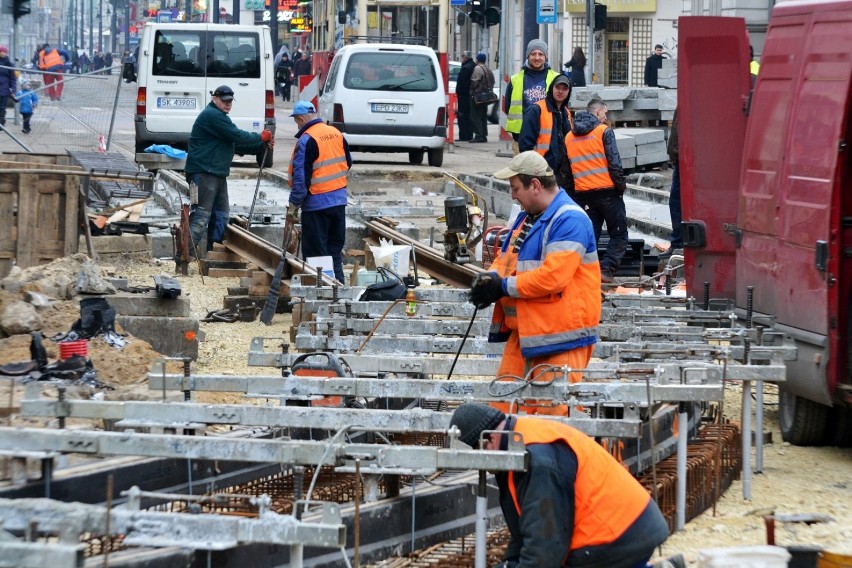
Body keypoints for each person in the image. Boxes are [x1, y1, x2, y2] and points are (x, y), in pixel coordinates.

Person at [448, 403, 670, 568]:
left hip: (617, 537)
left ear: (488, 441)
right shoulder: (511, 451)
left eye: (478, 459)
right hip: (626, 529)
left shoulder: (537, 459)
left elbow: (546, 549)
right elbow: (523, 532)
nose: (483, 469)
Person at [469, 152, 601, 415]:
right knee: (502, 410)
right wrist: (489, 280)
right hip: (528, 332)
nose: (513, 196)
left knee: (550, 419)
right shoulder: (528, 217)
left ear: (536, 186)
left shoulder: (570, 220)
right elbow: (506, 260)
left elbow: (554, 277)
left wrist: (502, 287)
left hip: (561, 338)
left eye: (516, 188)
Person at [184, 85, 274, 257]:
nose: (228, 105)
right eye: (224, 101)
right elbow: (237, 135)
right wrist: (260, 137)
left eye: (230, 102)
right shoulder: (213, 115)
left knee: (221, 216)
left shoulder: (219, 117)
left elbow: (235, 143)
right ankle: (185, 256)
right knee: (201, 216)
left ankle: (213, 254)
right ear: (214, 99)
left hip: (216, 173)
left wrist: (260, 145)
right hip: (204, 173)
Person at [564, 98, 628, 284]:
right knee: (619, 233)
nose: (606, 117)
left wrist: (573, 195)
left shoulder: (569, 136)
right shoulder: (603, 132)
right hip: (607, 192)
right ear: (598, 112)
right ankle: (606, 270)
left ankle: (584, 273)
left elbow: (566, 171)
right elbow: (614, 163)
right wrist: (620, 186)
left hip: (583, 195)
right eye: (605, 113)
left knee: (588, 235)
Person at [288, 100, 352, 283]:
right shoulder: (336, 133)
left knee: (317, 255)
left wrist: (293, 207)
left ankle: (321, 295)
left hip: (316, 206)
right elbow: (347, 162)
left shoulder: (307, 139)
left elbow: (300, 180)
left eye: (297, 121)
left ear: (300, 118)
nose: (298, 125)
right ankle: (339, 291)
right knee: (334, 251)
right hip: (338, 202)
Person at [518, 74, 573, 189]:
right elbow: (525, 145)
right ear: (552, 88)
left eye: (564, 89)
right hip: (541, 172)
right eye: (558, 87)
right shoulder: (536, 110)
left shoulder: (566, 113)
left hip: (560, 174)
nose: (560, 91)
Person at [504, 39, 559, 153]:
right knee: (522, 171)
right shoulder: (515, 80)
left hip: (549, 139)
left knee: (547, 171)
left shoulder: (556, 78)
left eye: (541, 54)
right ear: (528, 56)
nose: (537, 57)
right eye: (533, 54)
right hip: (521, 139)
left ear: (545, 57)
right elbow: (508, 106)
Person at [665, 109, 682, 257]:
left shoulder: (686, 103)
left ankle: (678, 243)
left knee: (676, 202)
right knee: (675, 203)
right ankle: (678, 243)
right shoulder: (684, 104)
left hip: (683, 159)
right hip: (681, 158)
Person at [468, 52, 495, 143]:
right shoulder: (488, 69)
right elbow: (492, 81)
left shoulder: (478, 68)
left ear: (477, 59)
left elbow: (474, 82)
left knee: (475, 116)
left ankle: (478, 135)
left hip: (478, 96)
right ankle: (484, 135)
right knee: (483, 116)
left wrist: (472, 90)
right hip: (486, 97)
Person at [455, 50, 475, 142]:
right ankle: (469, 135)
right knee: (469, 116)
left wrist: (459, 92)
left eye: (462, 57)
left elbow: (462, 83)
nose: (462, 58)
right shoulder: (474, 66)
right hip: (470, 95)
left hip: (463, 96)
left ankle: (463, 136)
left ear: (465, 57)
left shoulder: (465, 68)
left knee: (462, 116)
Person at [0, 45, 16, 127]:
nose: (3, 53)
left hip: (4, 89)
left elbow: (12, 78)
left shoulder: (9, 64)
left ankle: (1, 123)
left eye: (4, 52)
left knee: (2, 107)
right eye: (1, 52)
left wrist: (13, 90)